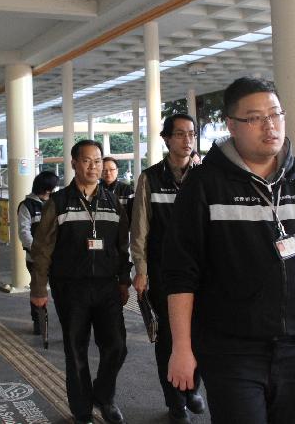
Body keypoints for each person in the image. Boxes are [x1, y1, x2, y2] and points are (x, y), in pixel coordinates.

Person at [164, 77, 295, 424]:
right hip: (231, 351)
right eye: (255, 118)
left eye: (275, 114)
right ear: (231, 126)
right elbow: (181, 273)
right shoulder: (205, 185)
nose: (270, 125)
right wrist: (181, 348)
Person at [30, 140, 131, 424]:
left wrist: (124, 280)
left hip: (107, 286)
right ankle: (82, 409)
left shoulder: (112, 202)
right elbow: (42, 248)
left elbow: (122, 245)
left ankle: (103, 394)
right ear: (74, 163)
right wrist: (38, 289)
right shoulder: (59, 202)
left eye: (97, 161)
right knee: (76, 350)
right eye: (87, 160)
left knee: (117, 346)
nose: (93, 166)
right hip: (70, 287)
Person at [130, 113, 205, 424]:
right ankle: (176, 403)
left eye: (191, 134)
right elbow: (140, 229)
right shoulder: (150, 178)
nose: (187, 140)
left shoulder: (205, 176)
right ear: (166, 139)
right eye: (180, 134)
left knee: (201, 335)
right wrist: (142, 271)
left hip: (203, 274)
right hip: (164, 274)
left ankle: (191, 388)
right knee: (169, 340)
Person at [18, 170, 59, 335]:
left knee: (61, 289)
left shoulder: (55, 202)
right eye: (52, 187)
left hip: (56, 257)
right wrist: (38, 250)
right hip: (35, 258)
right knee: (38, 289)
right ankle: (39, 322)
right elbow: (24, 232)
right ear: (45, 188)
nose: (53, 191)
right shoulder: (27, 205)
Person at [101, 157, 134, 224]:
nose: (108, 173)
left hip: (123, 231)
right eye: (104, 170)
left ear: (117, 171)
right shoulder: (95, 190)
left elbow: (133, 215)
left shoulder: (127, 190)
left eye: (112, 169)